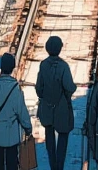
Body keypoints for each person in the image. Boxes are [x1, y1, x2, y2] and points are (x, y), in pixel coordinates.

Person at [0, 53, 32, 170]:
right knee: (12, 162)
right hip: (12, 134)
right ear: (13, 67)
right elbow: (21, 112)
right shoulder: (16, 88)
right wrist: (28, 127)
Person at [35, 35, 77, 170]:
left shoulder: (43, 65)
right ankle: (60, 164)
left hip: (47, 106)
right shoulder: (64, 66)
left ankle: (52, 163)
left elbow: (39, 87)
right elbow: (70, 87)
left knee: (49, 132)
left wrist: (43, 96)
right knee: (63, 134)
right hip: (62, 107)